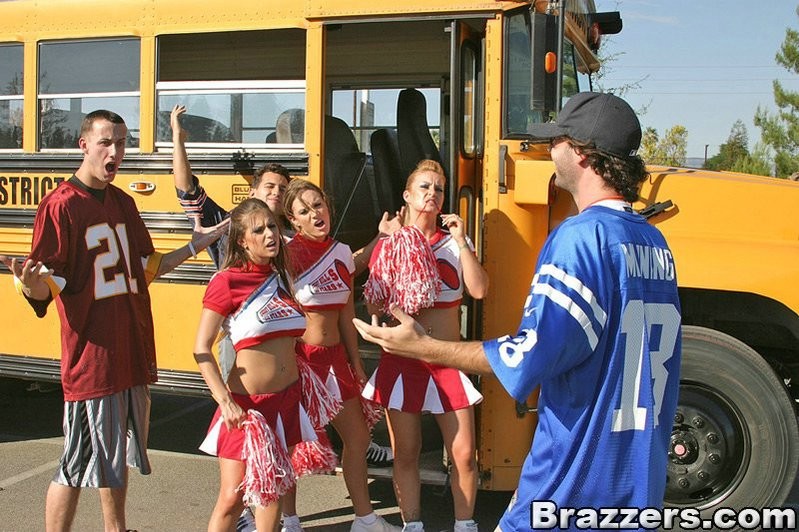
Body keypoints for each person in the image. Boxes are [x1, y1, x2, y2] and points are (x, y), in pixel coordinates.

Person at [352, 93, 683, 532]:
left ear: (581, 154)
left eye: (557, 141)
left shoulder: (580, 239)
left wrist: (426, 347)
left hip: (571, 484)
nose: (549, 151)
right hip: (638, 485)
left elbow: (529, 354)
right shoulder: (654, 242)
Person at [2, 109, 227, 532]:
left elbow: (144, 267)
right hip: (93, 359)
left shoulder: (124, 202)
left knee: (117, 455)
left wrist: (195, 246)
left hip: (130, 352)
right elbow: (46, 286)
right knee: (75, 462)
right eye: (106, 142)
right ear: (83, 144)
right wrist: (29, 286)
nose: (115, 151)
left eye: (122, 142)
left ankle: (116, 528)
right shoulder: (60, 205)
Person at [194, 197, 339, 532]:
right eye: (259, 230)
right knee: (233, 496)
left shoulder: (281, 276)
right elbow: (200, 348)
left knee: (272, 489)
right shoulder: (226, 282)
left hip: (285, 402)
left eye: (272, 226)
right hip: (247, 409)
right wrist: (225, 402)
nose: (270, 234)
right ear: (243, 241)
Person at [361, 159, 489, 532]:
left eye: (438, 188)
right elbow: (373, 304)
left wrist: (463, 242)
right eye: (424, 187)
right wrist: (388, 245)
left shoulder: (453, 244)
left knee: (464, 454)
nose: (432, 194)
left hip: (447, 361)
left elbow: (479, 290)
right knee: (407, 453)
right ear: (407, 195)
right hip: (404, 363)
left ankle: (465, 525)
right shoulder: (391, 244)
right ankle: (411, 525)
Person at [279, 179, 401, 532]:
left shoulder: (341, 252)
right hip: (301, 360)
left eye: (318, 205)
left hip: (334, 362)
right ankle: (289, 521)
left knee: (359, 439)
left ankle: (364, 519)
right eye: (304, 211)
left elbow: (347, 317)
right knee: (293, 443)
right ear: (293, 220)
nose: (315, 213)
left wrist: (357, 364)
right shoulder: (287, 254)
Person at [171, 104, 296, 267]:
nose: (276, 192)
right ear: (252, 193)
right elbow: (187, 190)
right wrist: (178, 139)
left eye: (282, 189)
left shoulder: (296, 233)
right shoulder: (226, 226)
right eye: (269, 186)